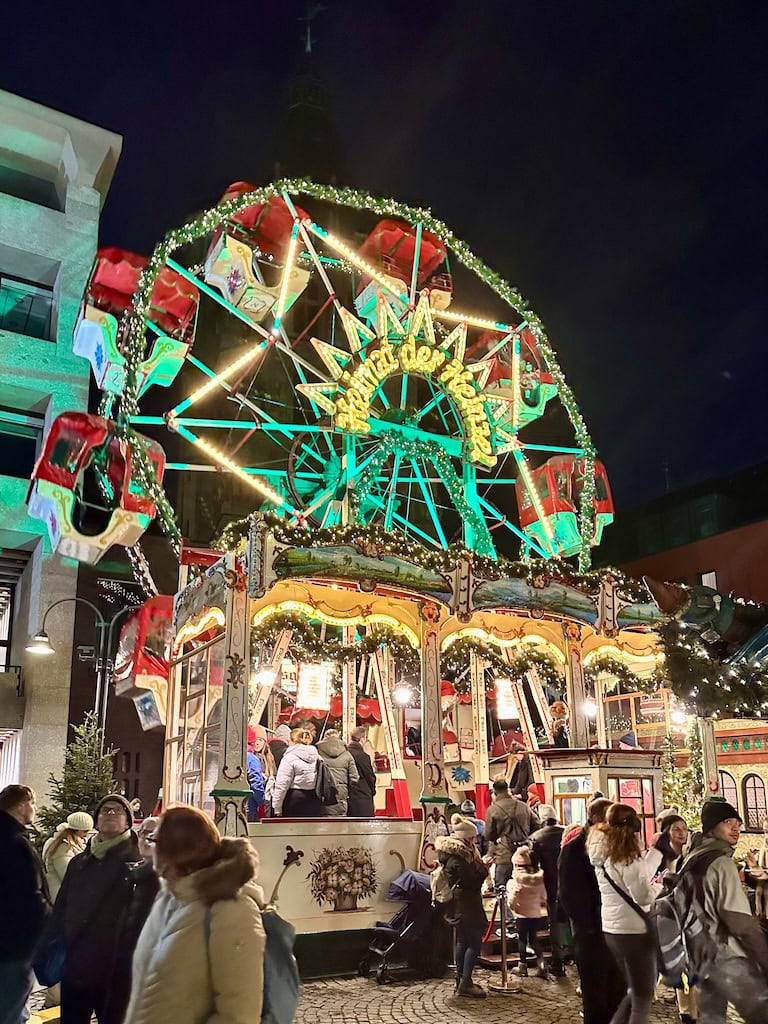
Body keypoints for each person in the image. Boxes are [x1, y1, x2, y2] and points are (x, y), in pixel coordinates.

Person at [123, 805, 265, 1024]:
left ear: (177, 850)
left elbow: (239, 1014)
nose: (150, 846)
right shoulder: (170, 897)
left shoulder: (231, 910)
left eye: (155, 840)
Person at [50, 793, 139, 1024]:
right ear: (96, 821)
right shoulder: (79, 862)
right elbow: (62, 908)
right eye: (105, 810)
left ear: (128, 821)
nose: (110, 814)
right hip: (77, 965)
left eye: (117, 811)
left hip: (116, 971)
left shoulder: (136, 865)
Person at [689, 800, 768, 1023]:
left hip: (699, 952)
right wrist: (763, 958)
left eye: (738, 823)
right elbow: (740, 922)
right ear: (711, 827)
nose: (736, 828)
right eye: (727, 822)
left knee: (711, 1014)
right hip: (726, 955)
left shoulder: (693, 856)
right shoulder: (721, 863)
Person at [588, 802, 661, 1024]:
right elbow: (644, 896)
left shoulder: (604, 854)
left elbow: (634, 878)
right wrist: (661, 886)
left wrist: (655, 856)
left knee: (634, 992)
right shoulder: (626, 855)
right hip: (634, 930)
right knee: (642, 995)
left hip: (613, 928)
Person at [558, 797, 626, 1024]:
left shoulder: (615, 844)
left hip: (615, 927)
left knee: (617, 986)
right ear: (596, 818)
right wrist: (587, 927)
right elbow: (569, 892)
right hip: (592, 932)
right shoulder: (575, 848)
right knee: (595, 990)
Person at [0, 784, 50, 1024]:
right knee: (11, 1009)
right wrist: (50, 924)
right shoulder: (16, 843)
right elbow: (31, 896)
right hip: (15, 945)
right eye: (33, 803)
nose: (35, 809)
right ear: (22, 806)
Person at [111, 817, 160, 1017]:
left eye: (153, 834)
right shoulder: (131, 872)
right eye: (142, 833)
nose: (146, 838)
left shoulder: (165, 880)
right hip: (123, 965)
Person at [436, 814, 489, 999]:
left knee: (463, 941)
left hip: (460, 904)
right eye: (473, 837)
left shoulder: (453, 855)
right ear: (465, 838)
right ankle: (465, 982)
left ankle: (461, 979)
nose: (475, 841)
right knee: (474, 942)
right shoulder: (460, 858)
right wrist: (483, 868)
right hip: (467, 905)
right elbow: (473, 881)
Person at [485, 778, 540, 889]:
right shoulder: (524, 806)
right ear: (508, 790)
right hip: (524, 854)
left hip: (504, 855)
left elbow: (489, 834)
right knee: (527, 890)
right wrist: (524, 835)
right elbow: (537, 825)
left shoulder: (493, 810)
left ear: (495, 793)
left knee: (502, 889)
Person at [531, 803, 566, 975]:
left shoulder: (537, 837)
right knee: (574, 920)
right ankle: (575, 954)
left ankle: (558, 961)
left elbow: (533, 864)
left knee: (555, 921)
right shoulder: (567, 833)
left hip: (550, 883)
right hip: (570, 882)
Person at [508, 844, 549, 978]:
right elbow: (544, 897)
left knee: (522, 940)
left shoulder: (515, 882)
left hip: (521, 914)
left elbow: (512, 900)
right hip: (535, 913)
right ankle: (542, 963)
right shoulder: (538, 880)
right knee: (533, 939)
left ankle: (522, 966)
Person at [272, 727, 323, 817]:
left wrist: (277, 807)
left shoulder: (289, 757)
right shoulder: (316, 756)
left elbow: (282, 784)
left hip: (293, 799)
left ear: (292, 741)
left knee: (293, 829)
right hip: (313, 797)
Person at [42, 812, 94, 901]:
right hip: (60, 895)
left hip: (68, 894)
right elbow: (68, 874)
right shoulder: (62, 847)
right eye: (85, 831)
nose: (86, 835)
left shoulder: (75, 844)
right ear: (76, 830)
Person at [316, 729, 359, 816]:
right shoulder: (347, 754)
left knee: (324, 823)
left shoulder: (317, 753)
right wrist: (347, 791)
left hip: (323, 792)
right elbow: (354, 778)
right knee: (340, 822)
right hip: (341, 791)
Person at [347, 725, 377, 817]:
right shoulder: (363, 756)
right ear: (363, 739)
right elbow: (370, 776)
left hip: (348, 796)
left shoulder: (345, 753)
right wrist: (373, 791)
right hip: (362, 796)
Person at [246, 726, 265, 823]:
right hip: (249, 807)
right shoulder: (252, 759)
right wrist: (262, 802)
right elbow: (256, 784)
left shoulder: (233, 756)